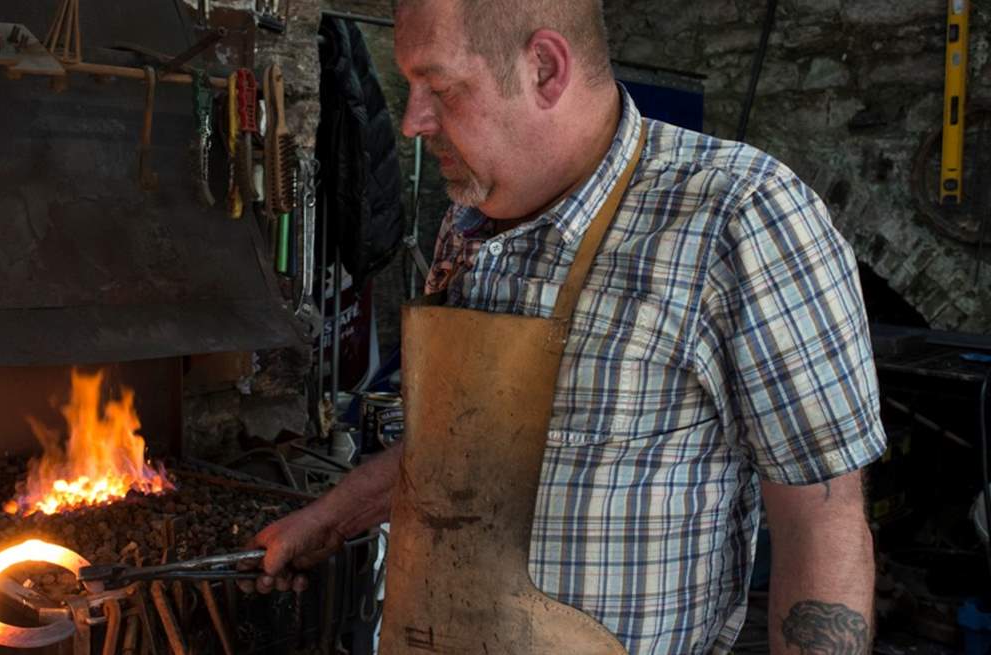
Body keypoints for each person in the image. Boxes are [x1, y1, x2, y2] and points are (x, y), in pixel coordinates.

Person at [243, 1, 886, 653]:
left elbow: (821, 524)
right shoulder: (467, 225)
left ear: (545, 67)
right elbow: (465, 452)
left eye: (439, 87)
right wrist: (330, 517)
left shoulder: (740, 218)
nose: (413, 122)